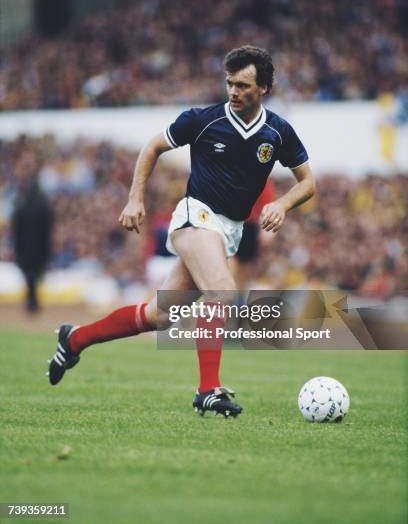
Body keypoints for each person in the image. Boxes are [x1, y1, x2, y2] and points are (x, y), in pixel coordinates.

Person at [47, 45, 315, 417]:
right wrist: (134, 199)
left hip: (230, 230)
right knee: (221, 292)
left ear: (264, 88)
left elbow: (307, 183)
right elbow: (154, 145)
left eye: (243, 86)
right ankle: (207, 391)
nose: (233, 92)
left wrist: (282, 203)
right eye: (229, 83)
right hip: (196, 216)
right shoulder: (202, 119)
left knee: (157, 316)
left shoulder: (278, 131)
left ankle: (75, 339)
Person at [12, 178, 53, 312]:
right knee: (35, 274)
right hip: (40, 247)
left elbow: (16, 229)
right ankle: (33, 301)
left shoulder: (21, 207)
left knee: (29, 275)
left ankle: (31, 300)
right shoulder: (44, 207)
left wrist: (17, 247)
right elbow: (48, 228)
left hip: (24, 247)